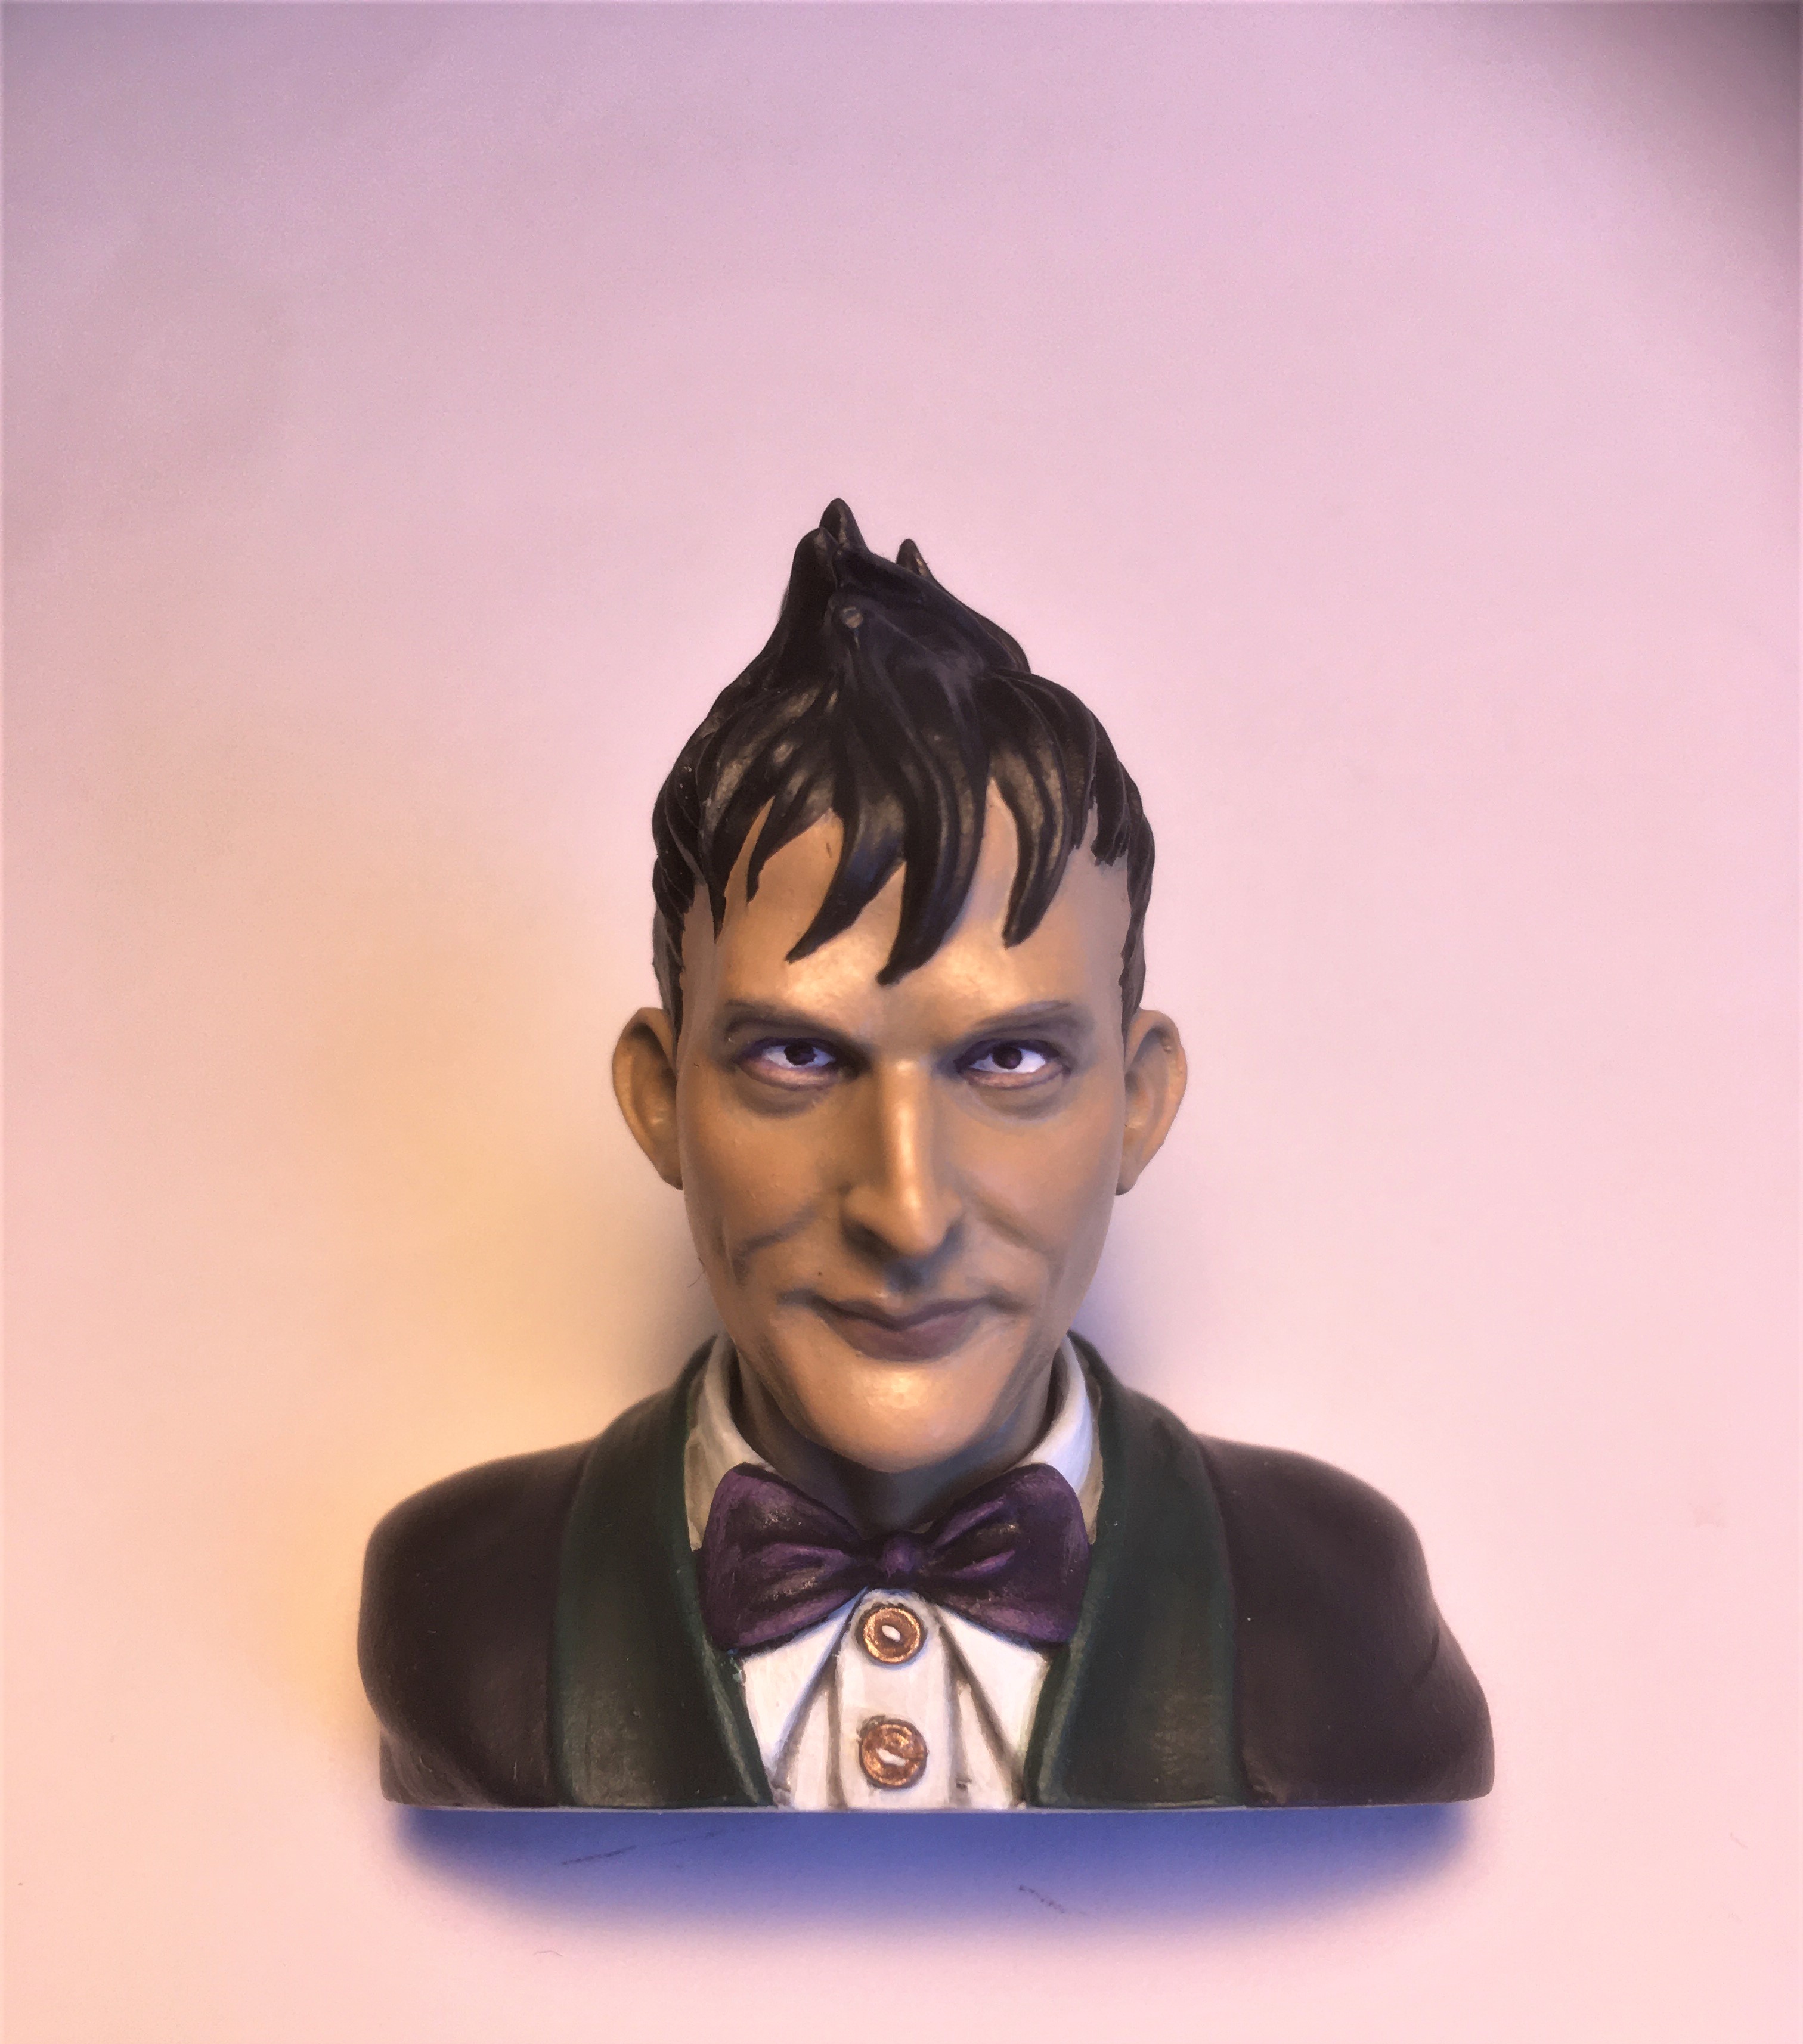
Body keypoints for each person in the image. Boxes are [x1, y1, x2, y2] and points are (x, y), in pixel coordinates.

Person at [360, 503, 1492, 1810]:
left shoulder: (1339, 1610)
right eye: (798, 1057)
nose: (906, 1214)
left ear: (1139, 1102)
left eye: (1008, 1062)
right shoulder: (463, 1603)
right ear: (661, 1099)